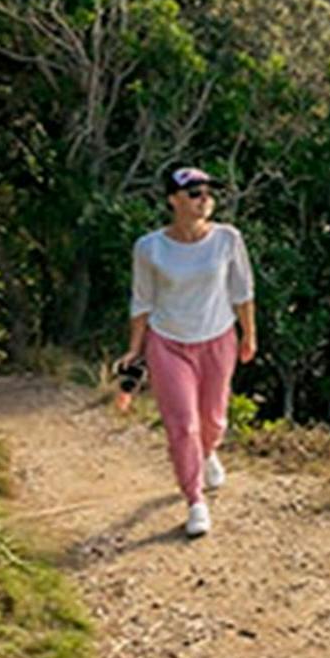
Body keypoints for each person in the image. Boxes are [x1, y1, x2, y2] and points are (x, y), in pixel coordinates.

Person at [116, 165, 256, 538]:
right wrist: (134, 349)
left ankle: (207, 452)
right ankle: (195, 500)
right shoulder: (150, 247)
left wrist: (249, 335)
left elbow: (242, 291)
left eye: (208, 192)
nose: (204, 200)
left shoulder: (228, 239)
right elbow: (142, 300)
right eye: (194, 193)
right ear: (173, 200)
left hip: (217, 338)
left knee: (213, 421)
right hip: (168, 343)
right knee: (183, 425)